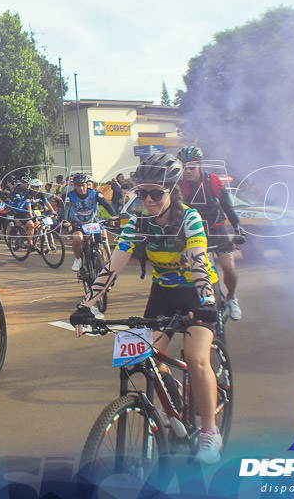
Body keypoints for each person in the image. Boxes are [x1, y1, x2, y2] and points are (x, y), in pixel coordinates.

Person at [70, 153, 224, 464]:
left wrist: (207, 303)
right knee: (148, 355)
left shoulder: (189, 219)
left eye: (156, 193)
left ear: (172, 191)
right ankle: (175, 399)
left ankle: (210, 431)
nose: (148, 200)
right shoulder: (138, 223)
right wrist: (86, 305)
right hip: (164, 293)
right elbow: (112, 266)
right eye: (142, 193)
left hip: (197, 293)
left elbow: (198, 265)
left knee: (196, 358)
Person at [177, 146, 247, 320]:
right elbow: (175, 213)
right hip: (195, 233)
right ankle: (206, 300)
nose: (187, 171)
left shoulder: (213, 181)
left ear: (199, 166)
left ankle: (232, 297)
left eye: (191, 167)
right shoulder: (179, 185)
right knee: (201, 271)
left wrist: (238, 228)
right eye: (184, 167)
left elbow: (228, 207)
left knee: (229, 268)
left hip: (217, 229)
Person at [62, 172, 117, 272]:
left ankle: (103, 266)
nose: (81, 188)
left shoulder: (95, 194)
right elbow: (66, 209)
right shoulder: (70, 196)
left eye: (83, 185)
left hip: (93, 222)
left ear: (87, 184)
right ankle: (78, 259)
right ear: (74, 186)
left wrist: (113, 215)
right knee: (77, 238)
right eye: (78, 186)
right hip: (77, 224)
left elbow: (106, 204)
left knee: (101, 244)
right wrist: (65, 221)